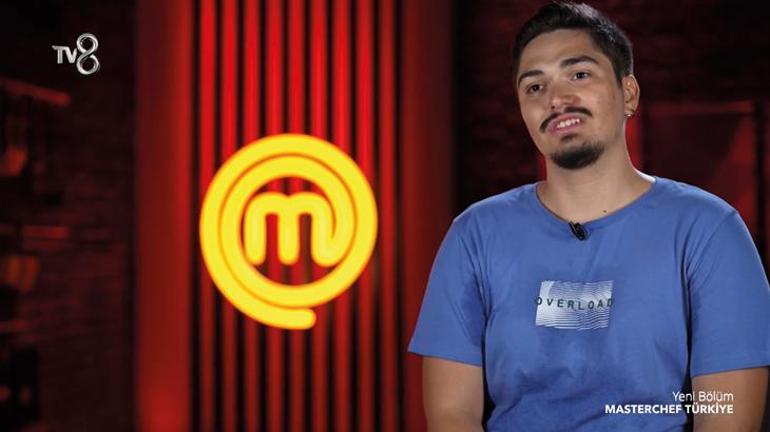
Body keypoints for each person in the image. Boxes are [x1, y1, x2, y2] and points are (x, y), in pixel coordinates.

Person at [407, 2, 770, 431]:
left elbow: (727, 416)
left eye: (579, 75)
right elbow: (451, 413)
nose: (556, 100)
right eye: (534, 87)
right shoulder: (475, 234)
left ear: (628, 93)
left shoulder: (709, 230)